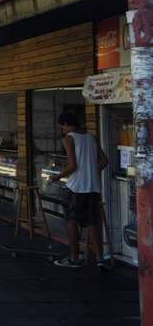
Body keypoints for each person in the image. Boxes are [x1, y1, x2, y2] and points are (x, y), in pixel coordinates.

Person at [50, 112, 108, 269]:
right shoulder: (92, 137)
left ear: (67, 124)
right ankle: (100, 259)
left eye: (62, 127)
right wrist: (91, 172)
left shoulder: (68, 139)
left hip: (76, 188)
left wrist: (56, 177)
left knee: (71, 222)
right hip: (93, 187)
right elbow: (104, 161)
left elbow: (72, 166)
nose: (62, 130)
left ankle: (74, 258)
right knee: (92, 223)